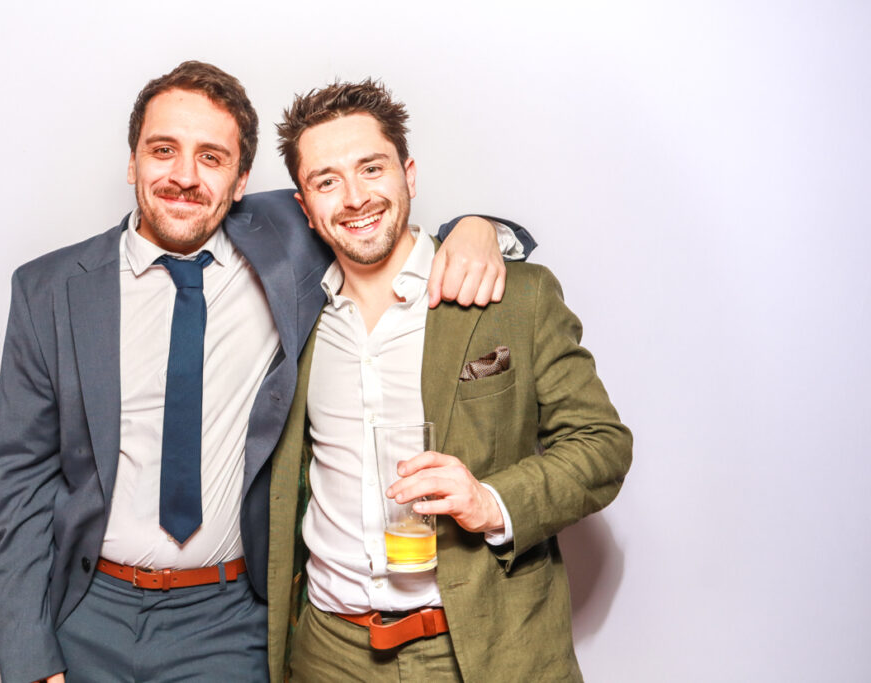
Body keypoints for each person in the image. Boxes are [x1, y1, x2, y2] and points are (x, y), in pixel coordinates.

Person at [0, 61, 530, 683]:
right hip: (87, 611)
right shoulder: (48, 289)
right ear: (132, 161)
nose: (184, 176)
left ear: (243, 179)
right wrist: (31, 661)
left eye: (212, 158)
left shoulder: (288, 247)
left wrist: (480, 230)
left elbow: (376, 223)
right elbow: (21, 483)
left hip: (227, 619)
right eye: (163, 150)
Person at [266, 80, 633, 682]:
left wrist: (489, 502)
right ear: (306, 206)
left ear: (409, 175)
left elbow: (603, 445)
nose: (354, 197)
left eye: (371, 168)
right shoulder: (294, 316)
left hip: (477, 646)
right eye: (326, 181)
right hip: (327, 652)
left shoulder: (513, 295)